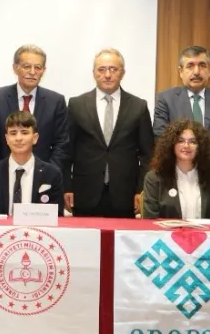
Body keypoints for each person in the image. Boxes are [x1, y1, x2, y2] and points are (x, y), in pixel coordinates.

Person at [65, 49, 153, 218]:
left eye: (113, 69)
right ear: (94, 73)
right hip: (84, 193)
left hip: (125, 195)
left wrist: (141, 190)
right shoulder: (76, 104)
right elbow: (67, 151)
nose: (107, 75)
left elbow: (147, 154)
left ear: (122, 73)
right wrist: (66, 187)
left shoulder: (139, 106)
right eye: (102, 69)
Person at [154, 45, 210, 204]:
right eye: (190, 66)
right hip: (176, 175)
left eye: (202, 65)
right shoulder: (165, 99)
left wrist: (208, 157)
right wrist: (186, 157)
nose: (197, 71)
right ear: (180, 71)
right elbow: (160, 135)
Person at [0, 44, 70, 171]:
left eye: (38, 67)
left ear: (43, 71)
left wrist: (49, 173)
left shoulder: (56, 101)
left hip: (43, 175)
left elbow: (62, 144)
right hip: (3, 173)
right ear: (15, 68)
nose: (32, 72)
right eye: (27, 66)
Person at [0, 111, 64, 215]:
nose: (18, 138)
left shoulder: (52, 174)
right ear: (7, 139)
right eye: (13, 133)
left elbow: (57, 217)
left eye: (24, 132)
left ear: (35, 138)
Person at [141, 119, 210, 220]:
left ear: (201, 146)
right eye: (180, 141)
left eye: (193, 142)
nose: (186, 146)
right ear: (171, 145)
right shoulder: (154, 178)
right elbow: (150, 220)